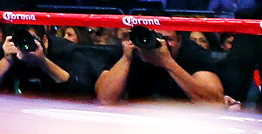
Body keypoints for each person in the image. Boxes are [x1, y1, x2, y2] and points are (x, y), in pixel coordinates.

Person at [93, 27, 223, 105]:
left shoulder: (193, 53)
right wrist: (126, 58)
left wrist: (168, 63)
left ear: (180, 40)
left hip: (186, 120)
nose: (162, 44)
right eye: (155, 38)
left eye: (168, 39)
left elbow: (214, 102)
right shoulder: (130, 49)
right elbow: (105, 98)